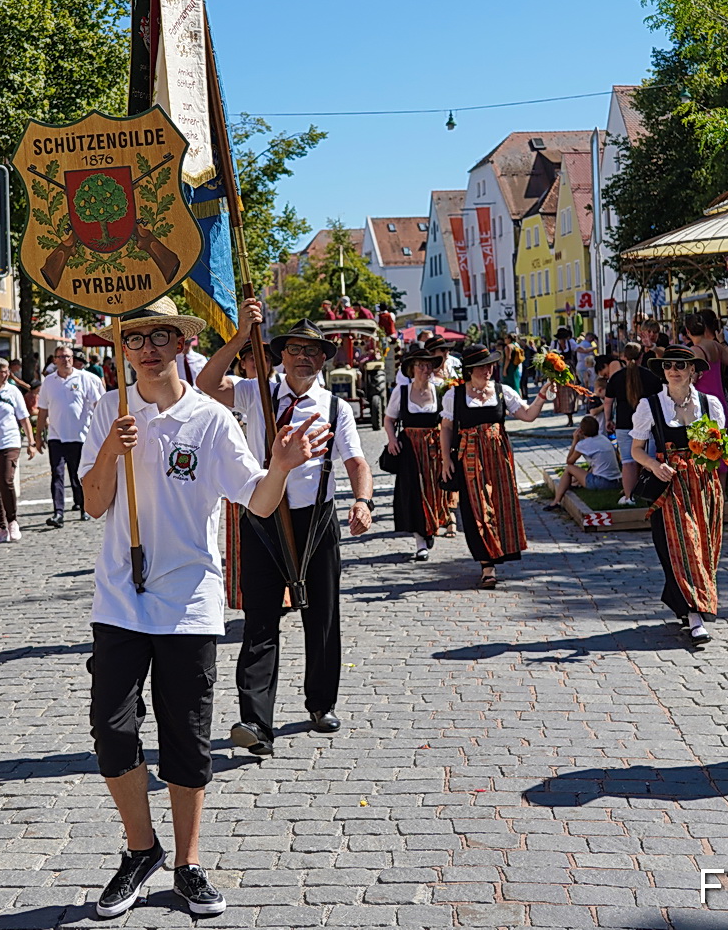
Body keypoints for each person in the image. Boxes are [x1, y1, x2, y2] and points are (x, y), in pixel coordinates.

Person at [80, 297, 327, 919]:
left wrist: (280, 465)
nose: (149, 347)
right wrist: (111, 448)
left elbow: (260, 502)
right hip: (120, 599)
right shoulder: (109, 408)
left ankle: (188, 864)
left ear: (182, 345)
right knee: (112, 733)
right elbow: (92, 503)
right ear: (125, 348)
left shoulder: (211, 419)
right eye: (136, 338)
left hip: (189, 602)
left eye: (162, 335)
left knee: (186, 741)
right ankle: (141, 850)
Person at [197, 304, 374, 759]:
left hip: (316, 520)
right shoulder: (257, 393)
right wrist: (239, 336)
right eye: (295, 348)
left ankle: (321, 704)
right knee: (260, 619)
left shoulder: (336, 406)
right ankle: (256, 721)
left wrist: (362, 500)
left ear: (322, 360)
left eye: (312, 351)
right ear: (280, 355)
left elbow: (356, 462)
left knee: (323, 616)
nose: (303, 357)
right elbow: (206, 383)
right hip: (264, 513)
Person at [625, 346, 728, 643]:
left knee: (705, 549)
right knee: (684, 546)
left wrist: (713, 453)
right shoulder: (651, 405)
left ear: (692, 370)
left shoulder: (710, 405)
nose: (674, 369)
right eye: (669, 365)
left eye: (681, 365)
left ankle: (686, 603)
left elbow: (718, 449)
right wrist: (655, 465)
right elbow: (635, 451)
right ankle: (696, 617)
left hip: (704, 486)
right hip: (670, 488)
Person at [439, 343, 554, 589]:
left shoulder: (503, 391)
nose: (488, 370)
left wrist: (542, 395)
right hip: (469, 456)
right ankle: (487, 565)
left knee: (500, 504)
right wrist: (446, 459)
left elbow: (528, 415)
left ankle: (496, 554)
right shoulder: (455, 395)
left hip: (498, 456)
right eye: (482, 366)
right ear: (470, 369)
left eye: (490, 365)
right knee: (478, 508)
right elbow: (447, 428)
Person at [382, 343, 450, 561]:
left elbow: (448, 420)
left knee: (435, 490)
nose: (425, 370)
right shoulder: (401, 392)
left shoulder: (441, 389)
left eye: (428, 365)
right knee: (413, 492)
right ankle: (420, 539)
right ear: (412, 369)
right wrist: (392, 440)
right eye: (421, 366)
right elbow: (389, 419)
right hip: (410, 448)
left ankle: (431, 527)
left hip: (435, 447)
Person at [37, 343, 105, 527]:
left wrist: (101, 431)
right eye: (61, 357)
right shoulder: (49, 382)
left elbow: (98, 406)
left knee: (78, 475)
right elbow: (42, 410)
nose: (65, 360)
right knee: (57, 475)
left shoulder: (85, 378)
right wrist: (38, 436)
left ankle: (84, 506)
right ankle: (58, 512)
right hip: (56, 437)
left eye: (68, 356)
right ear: (54, 360)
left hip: (79, 436)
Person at [0, 356, 36, 544]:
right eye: (3, 372)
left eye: (7, 372)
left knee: (5, 480)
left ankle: (12, 520)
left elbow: (24, 418)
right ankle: (0, 526)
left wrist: (31, 442)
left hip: (10, 441)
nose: (7, 375)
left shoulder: (13, 391)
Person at [599, 346, 662, 507]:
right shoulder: (651, 376)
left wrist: (608, 419)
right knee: (650, 459)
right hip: (649, 423)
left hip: (623, 423)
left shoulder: (616, 377)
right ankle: (652, 495)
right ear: (642, 357)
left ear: (623, 358)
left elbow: (608, 401)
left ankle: (629, 497)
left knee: (628, 462)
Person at [544, 413, 622, 508]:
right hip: (616, 481)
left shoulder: (584, 444)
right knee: (579, 476)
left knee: (569, 469)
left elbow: (569, 462)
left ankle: (556, 501)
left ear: (581, 430)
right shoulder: (603, 438)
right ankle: (573, 485)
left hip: (601, 482)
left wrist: (575, 441)